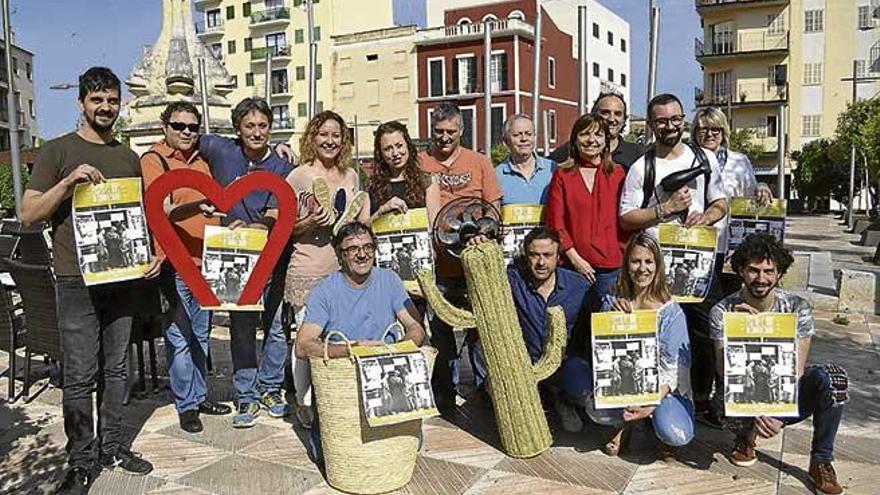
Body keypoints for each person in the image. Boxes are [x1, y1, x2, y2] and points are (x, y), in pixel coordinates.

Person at [21, 67, 156, 494]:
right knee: (80, 374)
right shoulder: (57, 151)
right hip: (75, 280)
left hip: (122, 278)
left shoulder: (128, 157)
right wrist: (67, 181)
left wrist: (150, 253)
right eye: (97, 100)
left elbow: (137, 217)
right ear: (81, 102)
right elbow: (28, 213)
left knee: (117, 369)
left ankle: (113, 447)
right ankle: (80, 462)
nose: (105, 108)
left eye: (112, 100)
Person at [619, 93, 728, 427]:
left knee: (706, 332)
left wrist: (706, 218)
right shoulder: (642, 167)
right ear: (651, 124)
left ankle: (698, 399)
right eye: (662, 120)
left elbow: (721, 202)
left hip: (700, 265)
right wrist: (664, 210)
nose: (669, 126)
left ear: (684, 119)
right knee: (656, 335)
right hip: (657, 269)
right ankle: (650, 399)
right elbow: (626, 218)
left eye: (675, 119)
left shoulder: (705, 158)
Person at [710, 233, 846, 495]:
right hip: (737, 394)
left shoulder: (797, 307)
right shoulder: (722, 311)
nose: (761, 279)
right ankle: (745, 436)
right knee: (728, 401)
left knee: (834, 378)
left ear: (780, 273)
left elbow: (796, 369)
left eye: (768, 271)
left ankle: (821, 461)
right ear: (740, 270)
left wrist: (777, 414)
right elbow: (723, 371)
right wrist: (744, 333)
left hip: (782, 389)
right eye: (753, 270)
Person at [294, 222, 427, 462]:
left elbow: (416, 328)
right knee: (326, 456)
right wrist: (352, 350)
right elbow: (303, 346)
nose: (362, 254)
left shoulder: (390, 280)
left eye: (367, 247)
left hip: (386, 373)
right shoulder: (324, 291)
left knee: (402, 450)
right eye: (352, 249)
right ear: (339, 255)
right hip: (344, 378)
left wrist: (395, 350)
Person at [197, 97, 293, 428]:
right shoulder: (221, 150)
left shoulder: (282, 166)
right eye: (250, 125)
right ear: (238, 128)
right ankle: (246, 395)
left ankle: (271, 388)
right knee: (240, 328)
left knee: (276, 326)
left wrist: (257, 227)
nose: (257, 132)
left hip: (272, 258)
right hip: (234, 259)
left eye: (263, 126)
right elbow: (187, 137)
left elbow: (277, 209)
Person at [140, 101, 231, 434]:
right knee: (179, 337)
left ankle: (200, 394)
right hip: (175, 264)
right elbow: (159, 210)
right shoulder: (155, 160)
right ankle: (186, 405)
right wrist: (196, 205)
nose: (187, 132)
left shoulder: (202, 162)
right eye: (179, 126)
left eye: (193, 127)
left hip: (205, 263)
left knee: (201, 334)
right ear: (165, 126)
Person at [285, 110, 369, 428]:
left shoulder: (351, 177)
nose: (330, 141)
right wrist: (309, 221)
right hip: (307, 269)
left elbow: (357, 224)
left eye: (336, 135)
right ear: (312, 138)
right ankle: (303, 401)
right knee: (305, 340)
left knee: (337, 337)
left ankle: (332, 397)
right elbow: (287, 228)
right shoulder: (298, 177)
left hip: (341, 272)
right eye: (323, 134)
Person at [418, 101, 502, 415]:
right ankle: (445, 395)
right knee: (441, 331)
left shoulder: (479, 162)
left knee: (479, 332)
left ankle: (483, 392)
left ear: (461, 131)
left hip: (474, 265)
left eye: (450, 132)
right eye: (438, 132)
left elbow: (495, 211)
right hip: (437, 265)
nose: (444, 138)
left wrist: (485, 234)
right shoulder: (420, 162)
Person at [579, 233, 694, 458]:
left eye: (649, 262)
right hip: (624, 381)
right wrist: (612, 319)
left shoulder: (671, 312)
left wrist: (650, 404)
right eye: (636, 261)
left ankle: (655, 421)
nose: (642, 269)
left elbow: (675, 372)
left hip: (662, 388)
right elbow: (602, 354)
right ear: (626, 264)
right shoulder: (612, 299)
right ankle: (623, 425)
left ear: (658, 265)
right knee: (595, 410)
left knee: (675, 434)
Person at [472, 227, 591, 432]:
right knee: (480, 351)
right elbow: (484, 277)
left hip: (565, 361)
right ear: (526, 256)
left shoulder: (579, 286)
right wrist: (480, 246)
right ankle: (533, 401)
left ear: (558, 256)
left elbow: (603, 310)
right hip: (525, 363)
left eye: (547, 255)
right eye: (535, 255)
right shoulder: (513, 279)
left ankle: (561, 398)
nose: (541, 262)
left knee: (582, 387)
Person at [546, 114, 627, 309]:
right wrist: (576, 259)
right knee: (573, 330)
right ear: (575, 139)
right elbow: (556, 222)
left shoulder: (619, 174)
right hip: (572, 266)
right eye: (585, 134)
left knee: (604, 326)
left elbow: (626, 220)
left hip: (611, 267)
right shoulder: (562, 174)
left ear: (606, 141)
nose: (592, 140)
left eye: (598, 135)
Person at [691, 106, 774, 295]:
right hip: (694, 242)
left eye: (715, 129)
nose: (709, 134)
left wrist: (762, 187)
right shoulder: (685, 160)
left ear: (723, 131)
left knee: (727, 298)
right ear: (695, 132)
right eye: (703, 129)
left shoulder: (739, 161)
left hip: (728, 246)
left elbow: (751, 195)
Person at [549, 92, 645, 170]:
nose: (611, 119)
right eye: (605, 112)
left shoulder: (637, 154)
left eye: (617, 114)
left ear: (624, 119)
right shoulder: (571, 150)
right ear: (593, 115)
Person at [367, 120, 433, 221]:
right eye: (388, 149)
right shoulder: (371, 185)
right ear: (380, 153)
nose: (395, 153)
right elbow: (362, 231)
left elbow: (434, 226)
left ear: (408, 145)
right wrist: (382, 211)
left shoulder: (427, 182)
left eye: (399, 146)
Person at [495, 114, 555, 205]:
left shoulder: (553, 170)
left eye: (528, 134)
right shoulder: (496, 176)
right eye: (517, 135)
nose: (524, 139)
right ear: (506, 141)